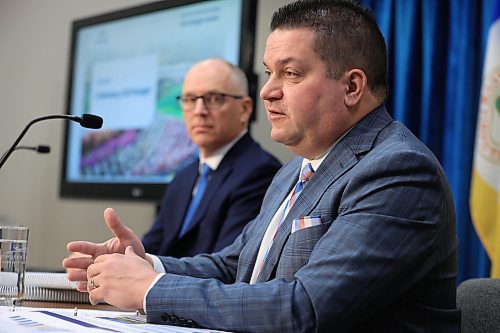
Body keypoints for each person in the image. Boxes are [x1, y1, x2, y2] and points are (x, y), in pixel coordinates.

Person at [63, 1, 460, 332]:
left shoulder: (398, 170)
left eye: (291, 73)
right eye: (270, 73)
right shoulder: (295, 169)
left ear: (352, 87)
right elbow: (236, 264)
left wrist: (151, 289)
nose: (268, 91)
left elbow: (306, 307)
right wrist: (147, 264)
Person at [141, 59, 281, 257]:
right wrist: (124, 256)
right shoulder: (183, 178)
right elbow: (152, 247)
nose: (199, 111)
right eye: (190, 99)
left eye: (214, 99)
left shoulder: (261, 172)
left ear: (245, 109)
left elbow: (225, 267)